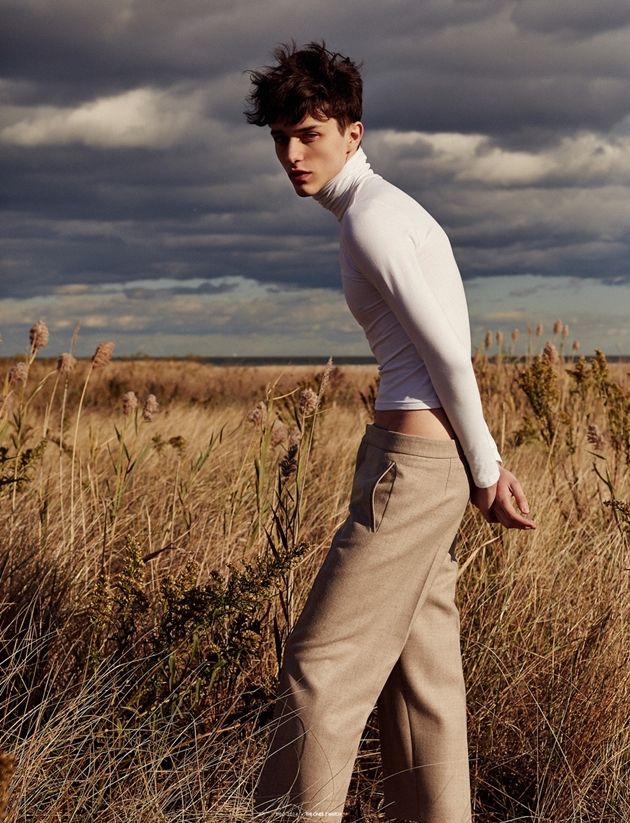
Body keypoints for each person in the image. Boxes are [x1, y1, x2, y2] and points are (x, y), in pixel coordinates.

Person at [245, 42, 536, 823]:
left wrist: (485, 470)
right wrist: (472, 468)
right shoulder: (381, 213)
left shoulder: (371, 221)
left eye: (308, 133)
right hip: (417, 463)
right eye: (280, 137)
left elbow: (446, 352)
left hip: (417, 469)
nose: (292, 154)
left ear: (353, 131)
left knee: (318, 667)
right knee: (421, 682)